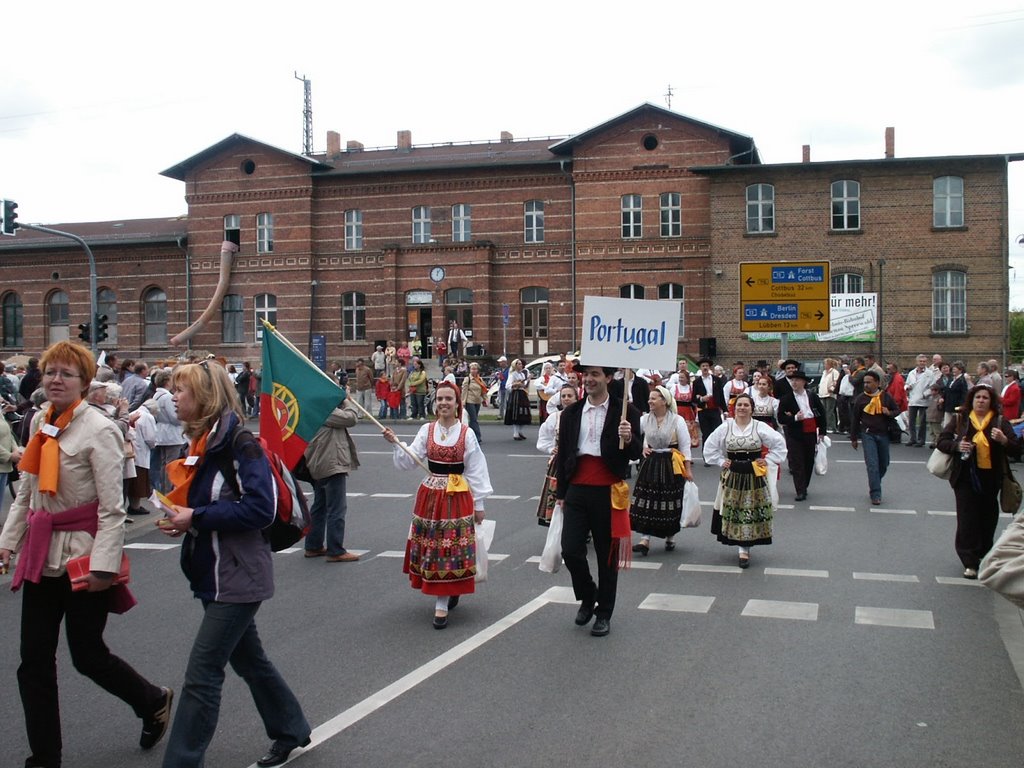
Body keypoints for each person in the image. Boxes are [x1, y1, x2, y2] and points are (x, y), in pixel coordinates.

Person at [0, 341, 172, 768]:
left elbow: (113, 509)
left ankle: (151, 700)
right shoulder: (41, 420)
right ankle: (46, 756)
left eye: (66, 373)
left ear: (83, 382)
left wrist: (104, 566)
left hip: (83, 556)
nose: (56, 380)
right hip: (41, 555)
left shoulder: (100, 430)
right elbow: (27, 492)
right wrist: (7, 542)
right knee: (33, 661)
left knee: (87, 655)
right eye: (50, 372)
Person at [158, 362, 311, 768]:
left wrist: (198, 518)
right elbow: (212, 503)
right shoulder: (207, 443)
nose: (175, 397)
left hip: (238, 576)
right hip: (217, 572)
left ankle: (182, 762)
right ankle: (291, 728)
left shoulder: (239, 443)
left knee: (202, 673)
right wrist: (185, 519)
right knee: (249, 659)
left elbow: (260, 509)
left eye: (182, 390)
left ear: (205, 397)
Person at [381, 381, 492, 629]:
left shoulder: (466, 433)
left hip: (457, 495)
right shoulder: (427, 430)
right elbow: (410, 460)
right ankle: (444, 593)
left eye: (448, 399)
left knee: (449, 548)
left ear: (456, 404)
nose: (443, 403)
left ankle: (442, 603)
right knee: (434, 547)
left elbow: (476, 469)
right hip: (430, 495)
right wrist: (396, 443)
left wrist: (480, 503)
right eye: (439, 399)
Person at [553, 365, 642, 637]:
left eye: (594, 374)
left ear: (608, 377)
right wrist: (560, 495)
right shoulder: (570, 413)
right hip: (578, 489)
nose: (589, 379)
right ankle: (588, 593)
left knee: (607, 556)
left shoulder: (627, 412)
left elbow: (637, 453)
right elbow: (565, 453)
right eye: (586, 375)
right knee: (570, 550)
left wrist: (628, 438)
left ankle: (604, 613)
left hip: (608, 490)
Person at [936, 384, 1021, 579]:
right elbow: (942, 441)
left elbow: (1017, 449)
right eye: (977, 397)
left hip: (991, 479)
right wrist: (957, 446)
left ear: (991, 402)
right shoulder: (962, 419)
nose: (981, 401)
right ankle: (969, 561)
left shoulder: (999, 422)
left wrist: (1004, 441)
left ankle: (983, 554)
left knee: (987, 519)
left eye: (985, 398)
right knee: (967, 520)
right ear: (971, 400)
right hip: (965, 478)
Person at [703, 392, 787, 568]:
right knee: (734, 509)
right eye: (739, 405)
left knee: (750, 510)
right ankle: (739, 544)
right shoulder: (726, 426)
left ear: (752, 409)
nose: (742, 408)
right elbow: (710, 446)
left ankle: (745, 549)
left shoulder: (759, 426)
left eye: (746, 405)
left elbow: (779, 443)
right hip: (732, 473)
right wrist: (720, 460)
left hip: (753, 474)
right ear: (734, 408)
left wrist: (768, 459)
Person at [630, 385, 692, 555]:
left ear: (664, 401)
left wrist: (687, 469)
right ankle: (645, 539)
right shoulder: (644, 419)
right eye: (649, 398)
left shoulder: (677, 420)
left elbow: (685, 446)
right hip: (651, 462)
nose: (650, 401)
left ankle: (670, 535)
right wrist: (641, 448)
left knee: (669, 499)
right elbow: (635, 436)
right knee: (647, 498)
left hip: (671, 463)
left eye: (654, 398)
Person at [303, 396, 361, 563]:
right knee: (337, 507)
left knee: (320, 506)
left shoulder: (311, 404)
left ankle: (313, 545)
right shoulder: (322, 407)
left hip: (320, 462)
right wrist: (346, 400)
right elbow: (350, 418)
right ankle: (335, 550)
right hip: (331, 463)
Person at [849, 370, 899, 506]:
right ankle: (875, 493)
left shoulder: (885, 397)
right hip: (868, 435)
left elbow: (897, 410)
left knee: (884, 463)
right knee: (872, 465)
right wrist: (854, 438)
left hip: (883, 434)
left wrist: (889, 412)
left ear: (877, 383)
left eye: (869, 382)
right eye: (865, 382)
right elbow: (855, 419)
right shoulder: (860, 399)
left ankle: (875, 481)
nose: (866, 385)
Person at [777, 369, 826, 501]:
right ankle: (800, 490)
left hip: (810, 432)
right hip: (794, 433)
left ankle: (804, 486)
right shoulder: (786, 398)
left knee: (808, 461)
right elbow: (781, 418)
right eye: (792, 380)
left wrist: (822, 432)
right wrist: (794, 418)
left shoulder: (812, 396)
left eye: (797, 380)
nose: (794, 382)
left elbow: (821, 414)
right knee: (797, 461)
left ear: (804, 382)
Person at [536, 383, 579, 525]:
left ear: (576, 398)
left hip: (579, 461)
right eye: (563, 396)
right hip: (559, 463)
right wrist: (551, 449)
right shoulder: (555, 417)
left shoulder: (581, 416)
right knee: (557, 493)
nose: (566, 399)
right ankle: (558, 523)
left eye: (569, 396)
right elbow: (543, 439)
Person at [152, 369, 186, 494]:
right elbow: (174, 417)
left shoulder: (156, 395)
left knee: (163, 463)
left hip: (161, 432)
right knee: (171, 464)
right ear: (167, 381)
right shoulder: (167, 397)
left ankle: (163, 488)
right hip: (171, 434)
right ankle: (169, 489)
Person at [692, 357, 726, 464]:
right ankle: (706, 457)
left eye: (707, 366)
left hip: (715, 410)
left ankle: (717, 455)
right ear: (700, 368)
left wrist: (725, 410)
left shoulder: (717, 380)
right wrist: (701, 399)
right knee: (706, 433)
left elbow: (721, 396)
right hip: (703, 410)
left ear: (709, 367)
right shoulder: (697, 382)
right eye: (703, 366)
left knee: (717, 433)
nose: (705, 368)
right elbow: (694, 398)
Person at [905, 354, 935, 447]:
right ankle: (912, 438)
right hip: (913, 400)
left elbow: (932, 386)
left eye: (924, 361)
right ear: (917, 362)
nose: (922, 363)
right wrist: (907, 387)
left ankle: (921, 440)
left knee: (922, 422)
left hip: (923, 400)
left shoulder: (929, 373)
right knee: (911, 421)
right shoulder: (911, 373)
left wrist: (925, 394)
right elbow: (906, 383)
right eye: (920, 361)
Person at [504, 358, 532, 440]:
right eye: (519, 364)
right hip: (516, 395)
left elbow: (524, 385)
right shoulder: (512, 375)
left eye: (521, 364)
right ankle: (515, 433)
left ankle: (520, 431)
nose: (521, 365)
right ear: (515, 366)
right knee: (516, 414)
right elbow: (507, 386)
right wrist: (515, 384)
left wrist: (528, 380)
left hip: (522, 394)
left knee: (524, 413)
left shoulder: (522, 375)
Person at [461, 361, 487, 443]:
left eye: (475, 369)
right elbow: (464, 391)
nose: (473, 371)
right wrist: (463, 402)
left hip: (477, 401)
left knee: (473, 420)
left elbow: (483, 390)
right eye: (472, 369)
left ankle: (470, 435)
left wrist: (485, 399)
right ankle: (477, 436)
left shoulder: (480, 379)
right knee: (474, 419)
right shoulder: (467, 379)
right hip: (470, 401)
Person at [885, 362, 909, 444]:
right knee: (892, 419)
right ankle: (894, 435)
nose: (887, 370)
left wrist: (895, 403)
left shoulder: (897, 379)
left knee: (893, 419)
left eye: (889, 369)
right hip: (893, 402)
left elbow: (898, 392)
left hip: (895, 402)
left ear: (894, 369)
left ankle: (896, 436)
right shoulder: (894, 377)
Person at [818, 358, 840, 433]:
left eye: (826, 364)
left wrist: (832, 388)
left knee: (829, 411)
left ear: (830, 364)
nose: (824, 365)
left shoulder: (834, 372)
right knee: (824, 411)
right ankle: (826, 425)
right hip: (823, 393)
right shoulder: (824, 372)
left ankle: (831, 427)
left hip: (830, 394)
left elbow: (836, 382)